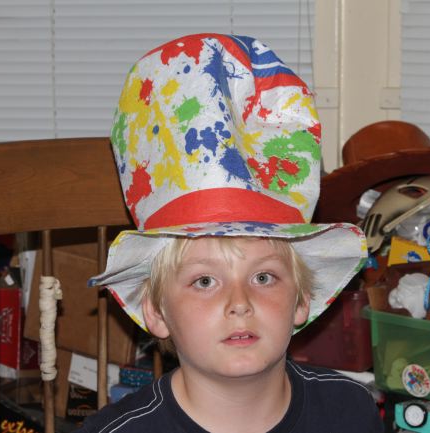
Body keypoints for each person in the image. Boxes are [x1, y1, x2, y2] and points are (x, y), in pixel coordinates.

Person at [76, 33, 384, 433]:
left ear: (301, 300)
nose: (240, 303)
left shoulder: (350, 412)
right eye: (204, 281)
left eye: (263, 277)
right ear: (156, 311)